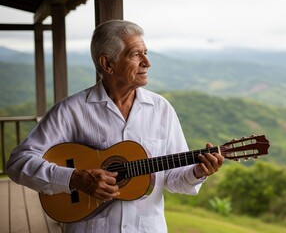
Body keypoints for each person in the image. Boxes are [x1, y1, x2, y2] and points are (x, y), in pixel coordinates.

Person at [6, 19, 224, 233]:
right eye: (136, 54)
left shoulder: (161, 109)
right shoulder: (71, 110)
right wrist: (73, 178)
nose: (147, 63)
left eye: (145, 53)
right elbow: (18, 163)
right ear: (107, 64)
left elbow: (174, 180)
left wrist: (197, 171)